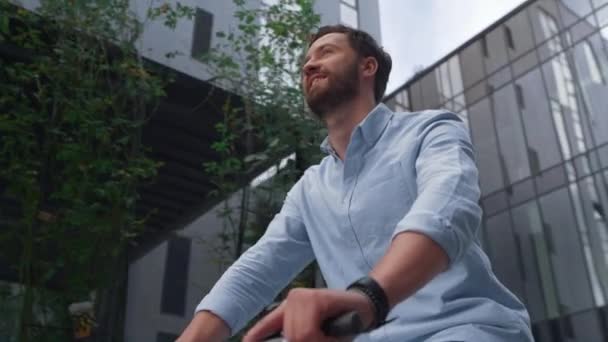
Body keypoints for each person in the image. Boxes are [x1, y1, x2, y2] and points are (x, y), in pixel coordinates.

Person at [177, 25, 533, 342]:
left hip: (461, 329)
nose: (308, 65)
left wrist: (370, 296)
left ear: (367, 67)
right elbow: (256, 271)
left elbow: (446, 209)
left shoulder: (430, 130)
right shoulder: (310, 188)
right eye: (306, 60)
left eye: (326, 52)